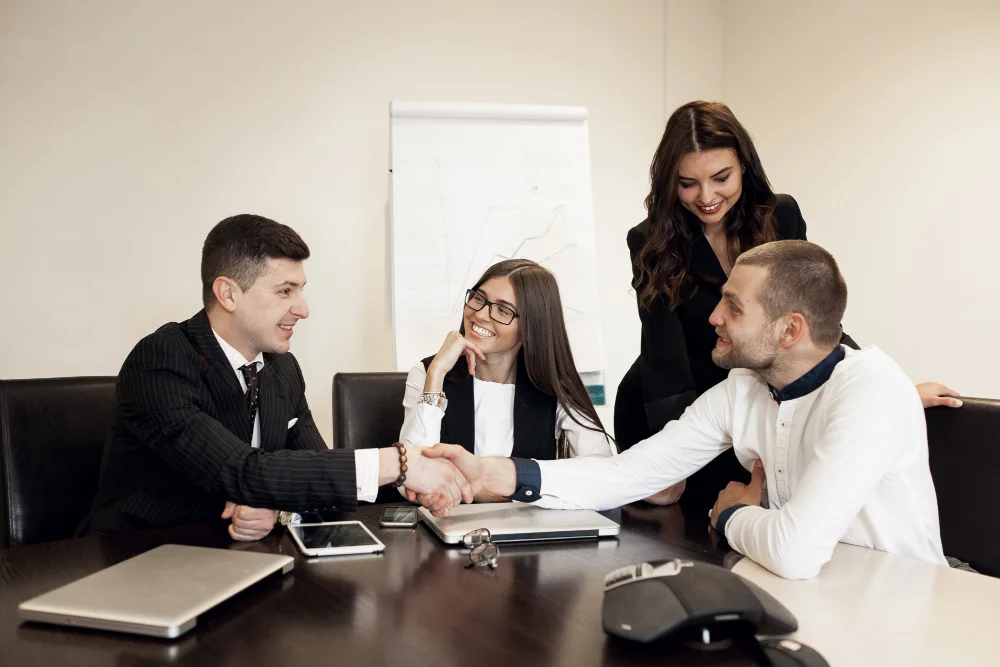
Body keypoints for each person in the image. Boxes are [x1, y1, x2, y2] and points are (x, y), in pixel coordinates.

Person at [412, 241, 948, 581]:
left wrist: (731, 513)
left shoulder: (870, 388)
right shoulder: (743, 389)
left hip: (906, 611)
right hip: (809, 598)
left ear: (790, 330)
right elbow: (626, 475)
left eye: (733, 306)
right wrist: (489, 473)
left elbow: (794, 552)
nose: (713, 316)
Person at [615, 101, 960, 515]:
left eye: (721, 178)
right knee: (688, 528)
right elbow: (663, 355)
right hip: (676, 405)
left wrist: (888, 391)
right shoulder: (650, 239)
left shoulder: (780, 215)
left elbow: (813, 318)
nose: (706, 197)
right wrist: (672, 455)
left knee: (758, 517)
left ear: (744, 165)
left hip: (754, 397)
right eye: (688, 183)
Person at [82, 214, 472, 539]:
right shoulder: (160, 359)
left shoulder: (282, 368)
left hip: (240, 565)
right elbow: (241, 470)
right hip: (137, 558)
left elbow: (319, 480)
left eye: (300, 290)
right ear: (228, 294)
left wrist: (280, 510)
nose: (303, 309)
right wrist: (401, 463)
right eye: (285, 291)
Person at [400, 259, 613, 501]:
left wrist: (490, 489)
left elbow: (602, 472)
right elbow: (410, 478)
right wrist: (437, 373)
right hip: (448, 520)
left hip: (528, 522)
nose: (480, 314)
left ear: (532, 326)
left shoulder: (552, 384)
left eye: (503, 310)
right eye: (478, 298)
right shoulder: (428, 372)